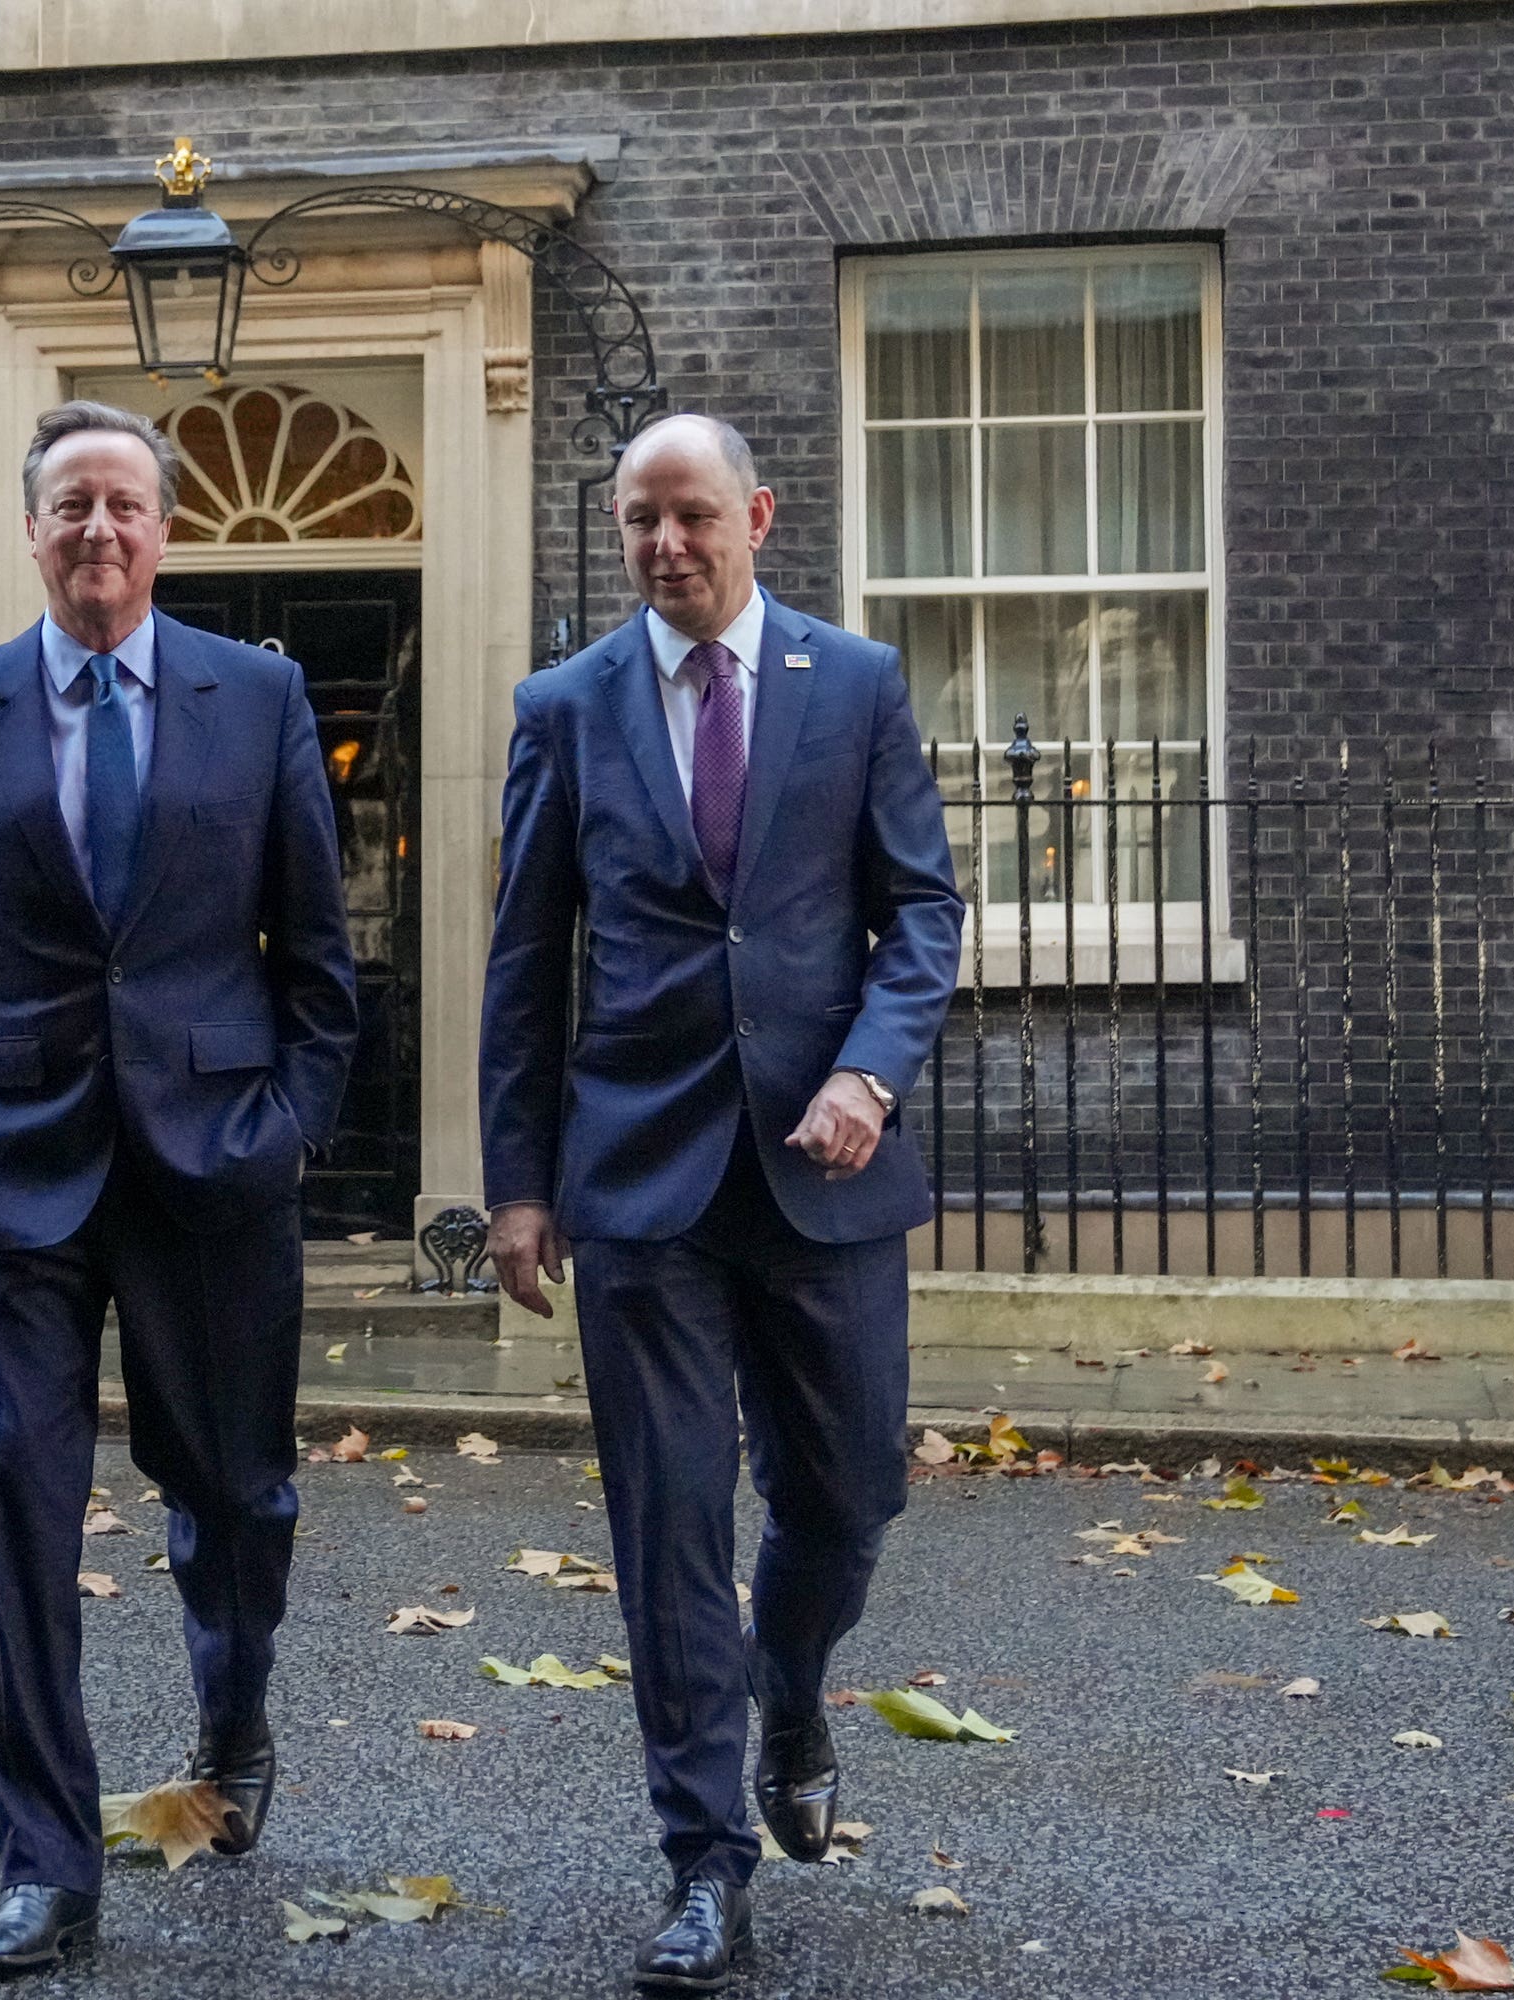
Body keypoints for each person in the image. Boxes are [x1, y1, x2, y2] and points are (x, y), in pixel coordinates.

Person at [0, 399, 358, 1982]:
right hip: (15, 1164)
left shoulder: (257, 697)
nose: (99, 533)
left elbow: (321, 961)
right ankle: (47, 1866)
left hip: (214, 1163)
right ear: (32, 529)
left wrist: (288, 1130)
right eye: (71, 506)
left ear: (166, 530)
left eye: (125, 506)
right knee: (11, 1513)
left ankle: (233, 1710)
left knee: (235, 1498)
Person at [479, 412, 963, 1993]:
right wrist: (521, 1185)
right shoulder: (566, 707)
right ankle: (703, 1864)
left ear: (756, 515)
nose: (667, 546)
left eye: (692, 516)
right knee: (669, 1525)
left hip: (825, 1170)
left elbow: (923, 916)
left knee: (847, 1502)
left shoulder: (860, 687)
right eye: (639, 522)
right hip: (643, 1187)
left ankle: (794, 1687)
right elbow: (524, 965)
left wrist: (870, 1077)